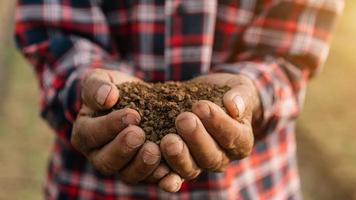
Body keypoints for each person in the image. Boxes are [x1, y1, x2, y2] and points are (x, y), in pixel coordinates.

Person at [15, 0, 343, 199]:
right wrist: (86, 89)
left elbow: (290, 50)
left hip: (252, 188)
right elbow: (54, 30)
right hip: (92, 189)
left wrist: (252, 91)